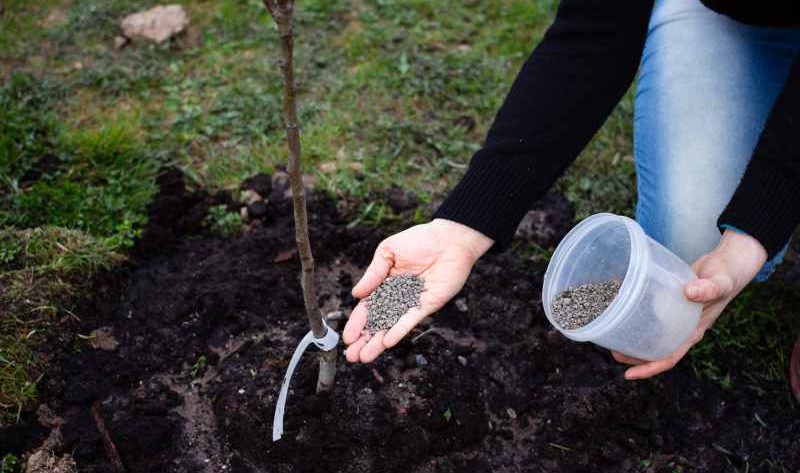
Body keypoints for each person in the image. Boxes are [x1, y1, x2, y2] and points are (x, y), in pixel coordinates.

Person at [343, 0, 800, 380]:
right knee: (691, 252)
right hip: (732, 20)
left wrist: (751, 234)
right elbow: (594, 35)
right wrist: (465, 224)